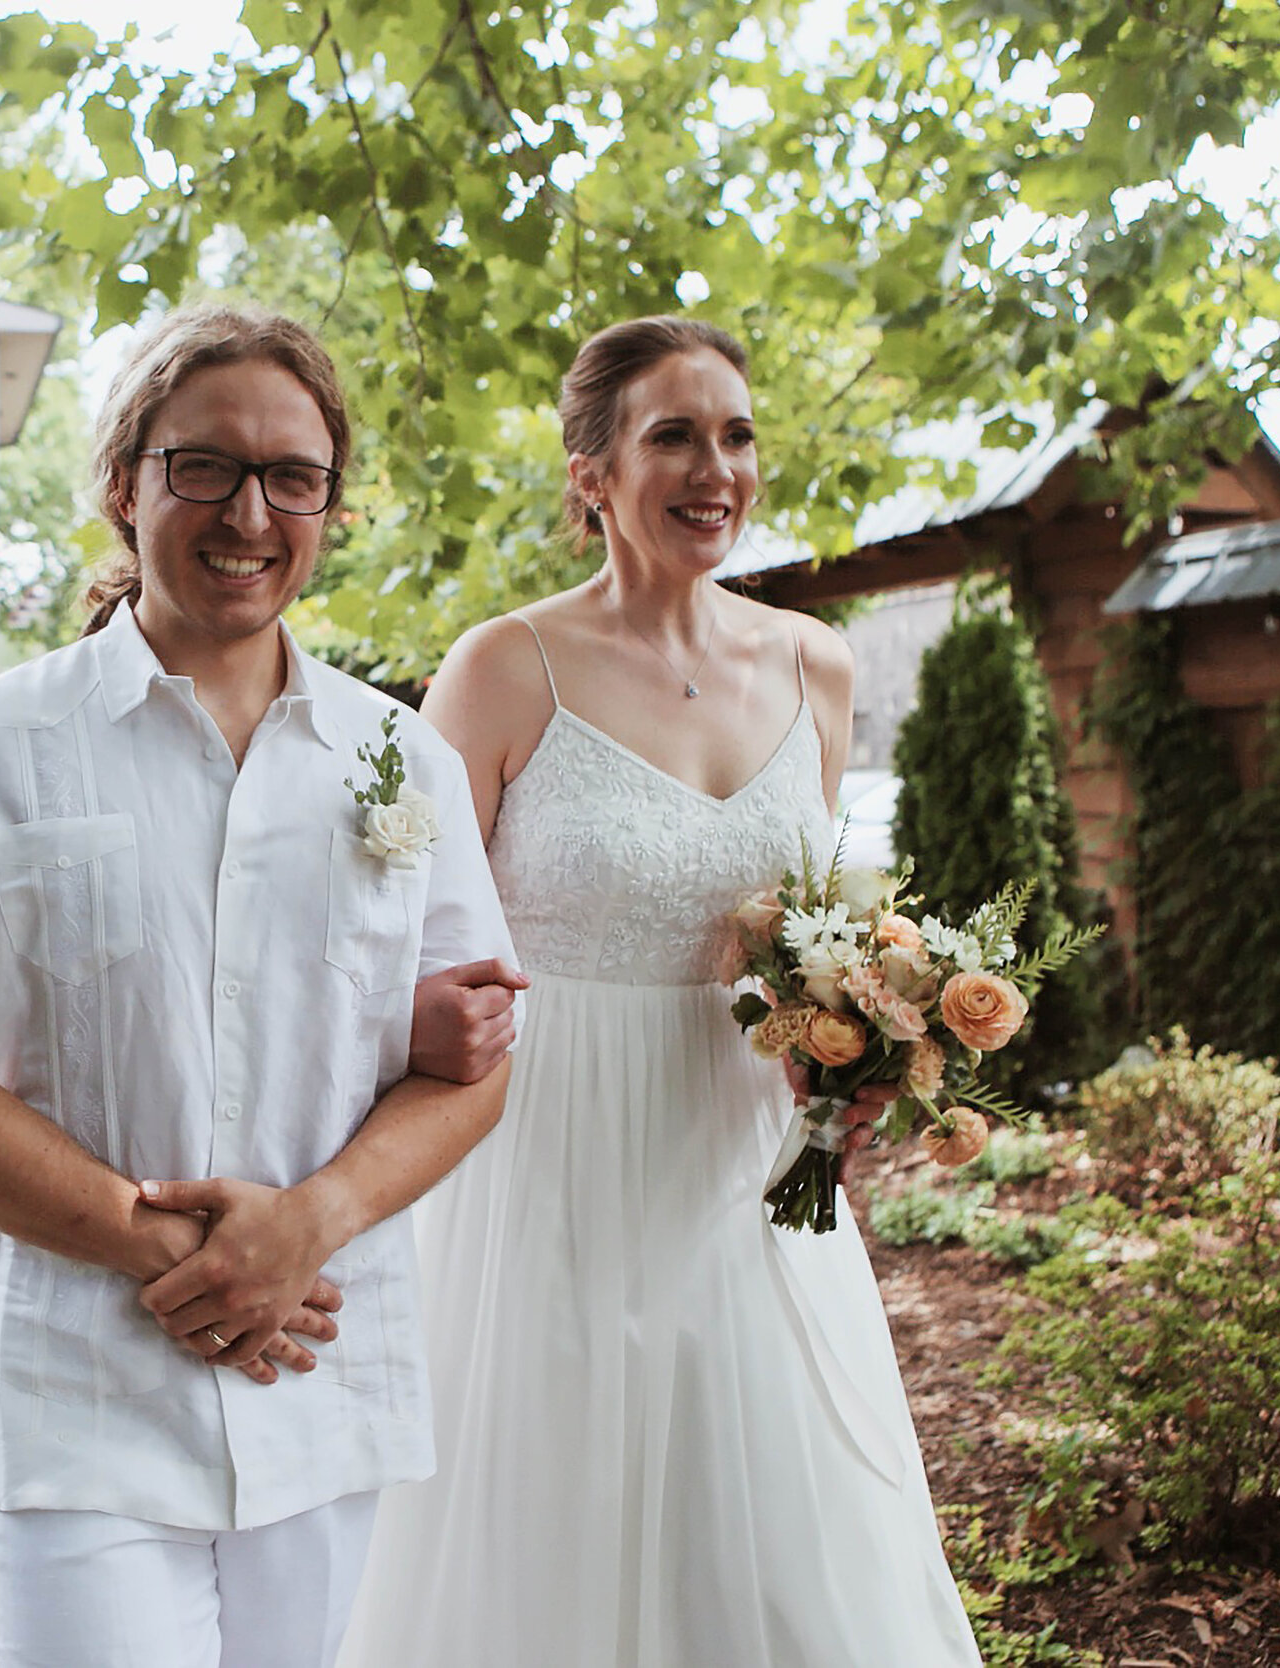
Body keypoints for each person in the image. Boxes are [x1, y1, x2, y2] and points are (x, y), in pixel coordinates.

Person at [0, 303, 519, 1668]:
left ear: (327, 505)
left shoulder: (404, 762)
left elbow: (471, 1070)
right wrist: (179, 1254)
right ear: (123, 484)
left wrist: (307, 1225)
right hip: (79, 1393)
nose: (248, 512)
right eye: (202, 466)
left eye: (293, 478)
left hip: (324, 1380)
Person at [341, 316, 983, 1666]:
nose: (717, 468)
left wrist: (857, 1025)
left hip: (747, 1165)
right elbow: (392, 931)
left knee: (777, 1537)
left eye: (737, 434)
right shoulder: (503, 665)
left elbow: (815, 919)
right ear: (592, 472)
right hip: (545, 1157)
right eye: (673, 435)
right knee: (543, 1521)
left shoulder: (817, 661)